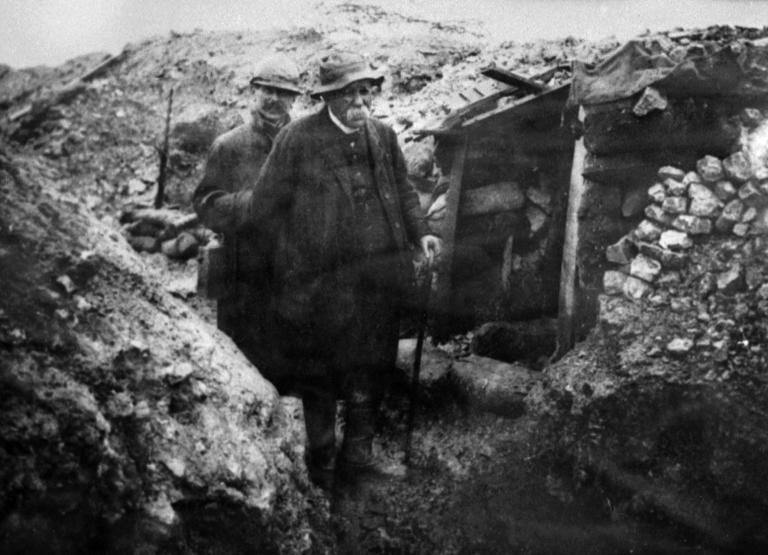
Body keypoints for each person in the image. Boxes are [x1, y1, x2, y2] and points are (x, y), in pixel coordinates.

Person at [198, 51, 442, 487]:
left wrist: (419, 231)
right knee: (321, 372)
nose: (360, 101)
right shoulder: (297, 137)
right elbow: (266, 203)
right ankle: (322, 462)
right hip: (321, 280)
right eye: (349, 93)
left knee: (371, 365)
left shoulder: (384, 136)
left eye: (366, 91)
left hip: (377, 279)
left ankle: (359, 459)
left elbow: (403, 190)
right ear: (328, 97)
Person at [193, 53, 301, 385]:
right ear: (253, 90)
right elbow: (206, 203)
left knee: (292, 356)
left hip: (294, 265)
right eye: (267, 89)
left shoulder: (304, 142)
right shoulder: (228, 145)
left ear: (294, 98)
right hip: (245, 269)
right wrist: (249, 204)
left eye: (283, 93)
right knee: (245, 363)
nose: (274, 99)